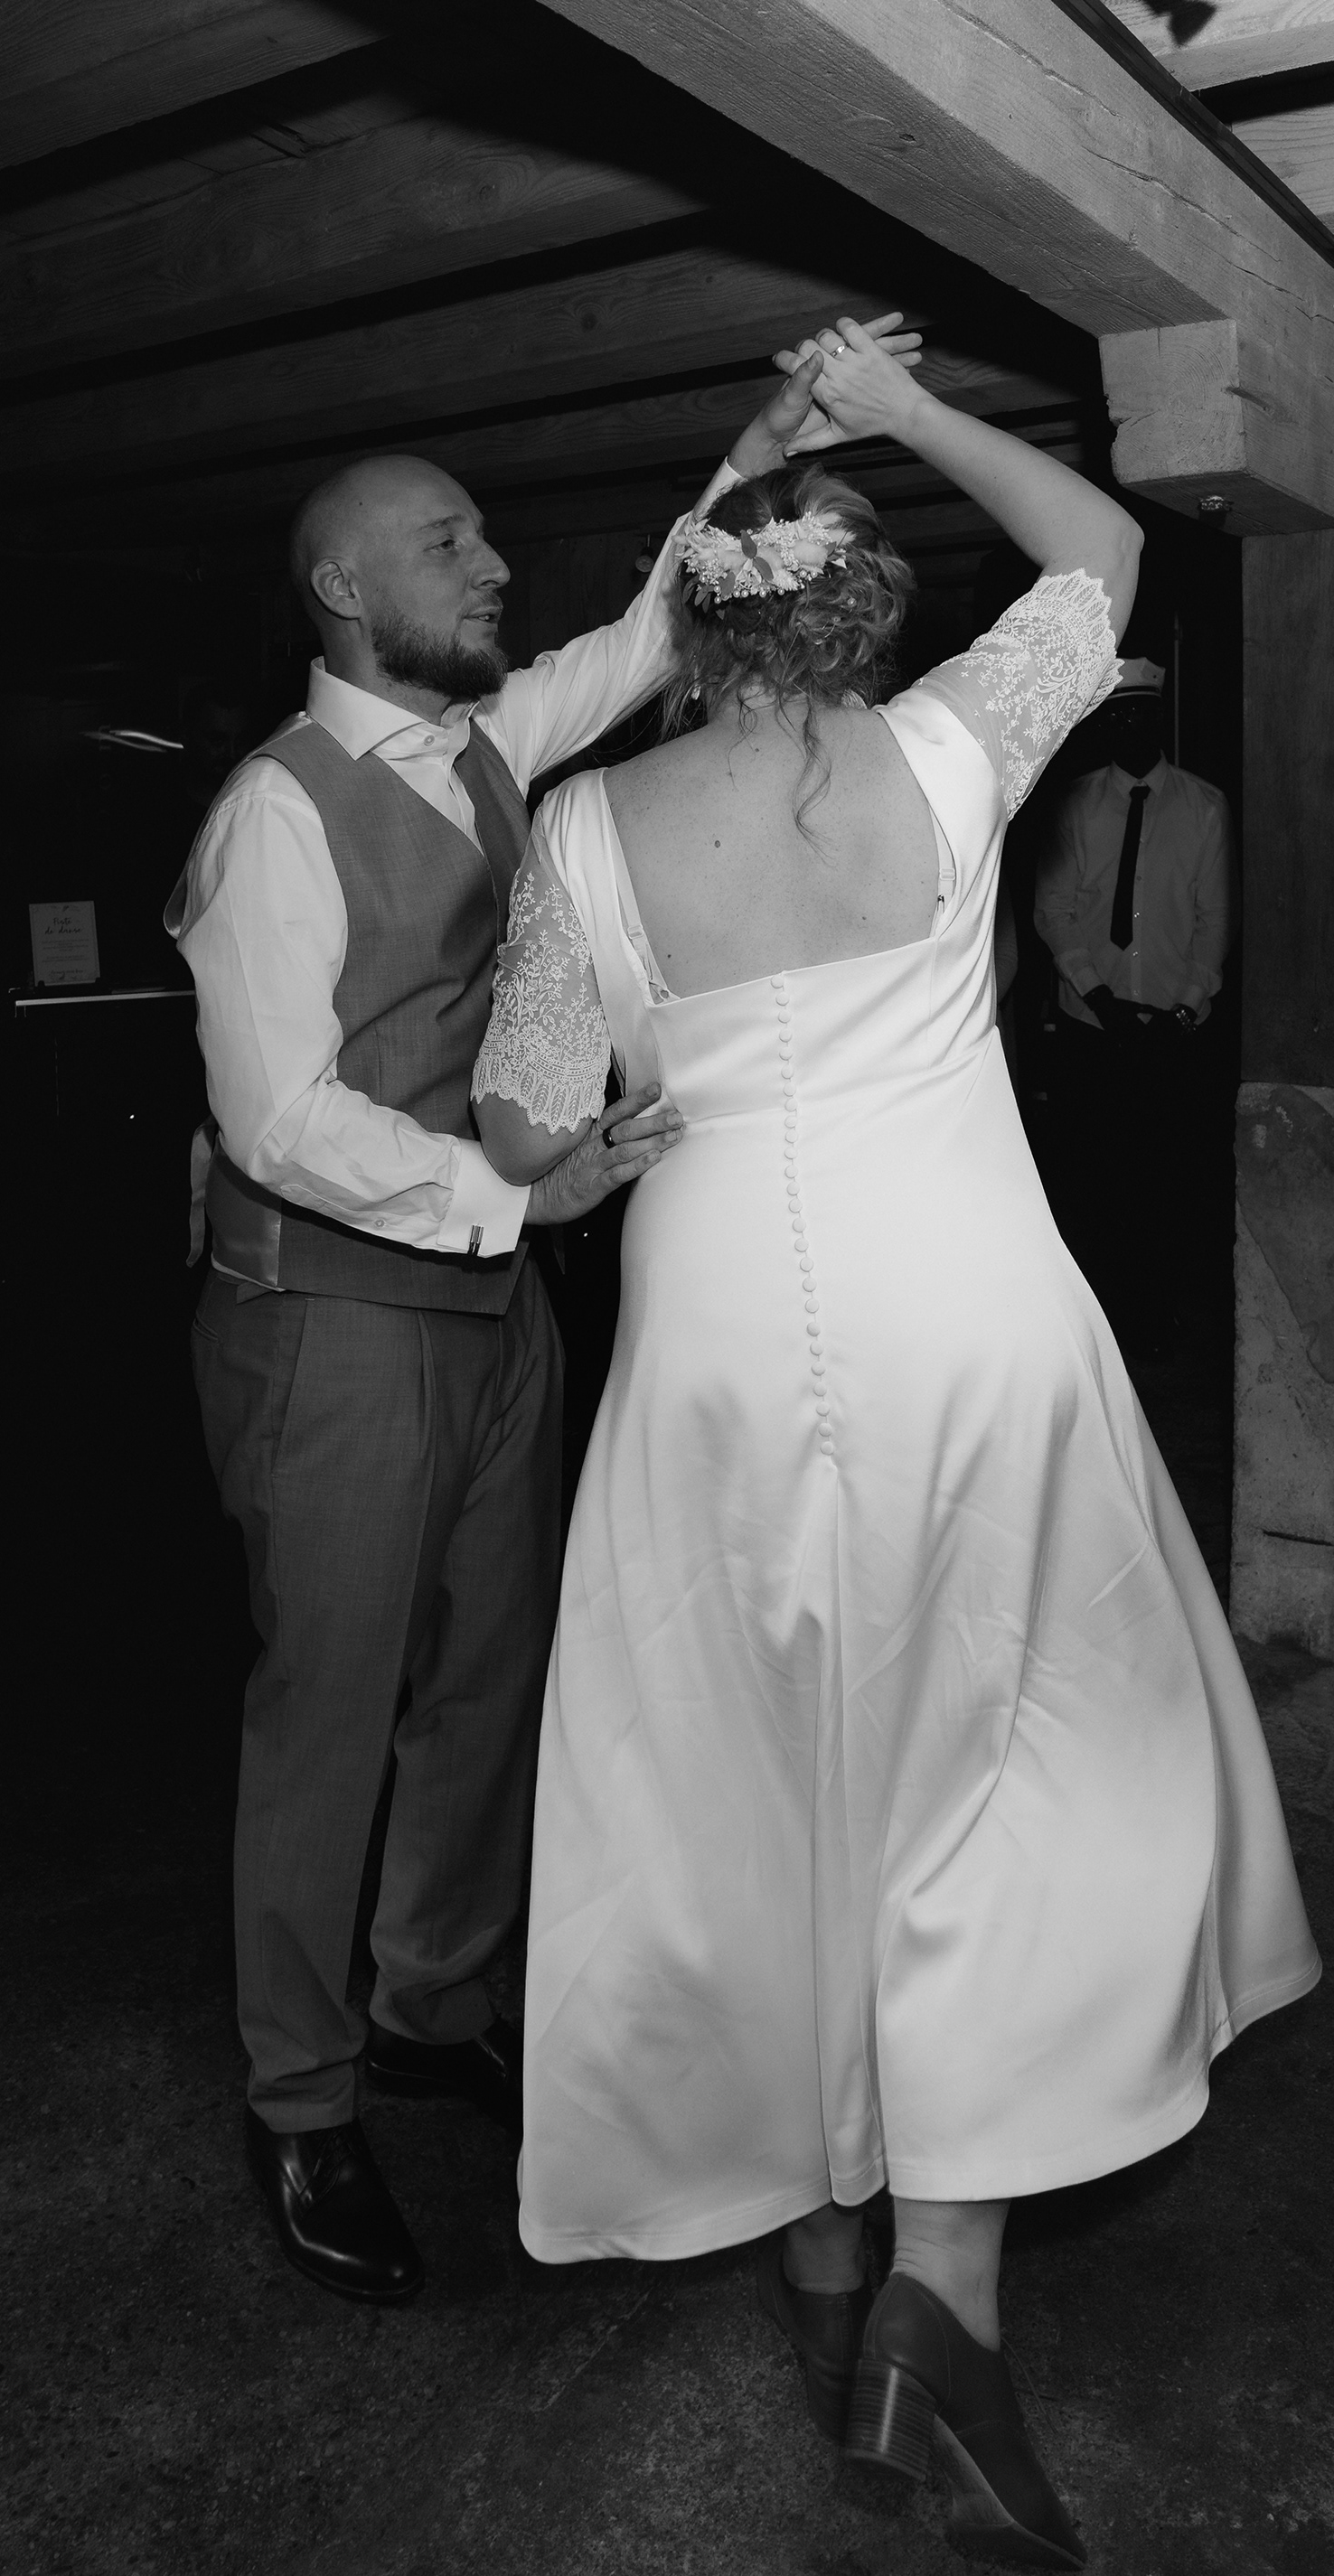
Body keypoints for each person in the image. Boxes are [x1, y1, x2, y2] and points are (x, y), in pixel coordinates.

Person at [469, 318, 1320, 2572]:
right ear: (862, 619)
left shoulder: (584, 825)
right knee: (1008, 1774)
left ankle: (829, 2258)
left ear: (694, 621)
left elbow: (530, 1127)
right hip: (969, 1328)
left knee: (754, 1789)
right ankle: (946, 2290)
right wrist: (904, 408)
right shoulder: (951, 752)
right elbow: (1103, 548)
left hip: (719, 1352)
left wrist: (596, 1138)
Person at [165, 322, 925, 2309]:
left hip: (497, 1306)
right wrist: (517, 1193)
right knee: (328, 1716)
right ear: (345, 587)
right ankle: (302, 2098)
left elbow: (659, 627)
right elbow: (275, 1114)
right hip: (334, 1320)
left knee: (489, 1680)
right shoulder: (271, 813)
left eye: (486, 534)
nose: (492, 562)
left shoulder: (490, 742)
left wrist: (759, 441)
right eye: (450, 542)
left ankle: (428, 2003)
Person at [1031, 660, 1234, 1352]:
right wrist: (1098, 998)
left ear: (1159, 717)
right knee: (1096, 1176)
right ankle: (1103, 1319)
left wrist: (1186, 1008)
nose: (1128, 725)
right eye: (1115, 714)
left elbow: (1214, 919)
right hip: (1094, 1028)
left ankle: (1159, 1312)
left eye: (1139, 713)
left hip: (1174, 1030)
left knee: (1168, 1176)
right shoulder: (1075, 805)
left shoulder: (1204, 807)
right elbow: (1054, 909)